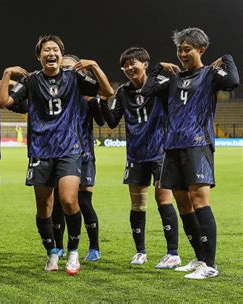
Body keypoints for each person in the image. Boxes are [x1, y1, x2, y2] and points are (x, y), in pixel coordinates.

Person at [0, 35, 114, 275]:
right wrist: (7, 74)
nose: (51, 54)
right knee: (44, 207)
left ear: (61, 55)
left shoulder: (74, 78)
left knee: (70, 201)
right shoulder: (31, 81)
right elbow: (4, 102)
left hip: (69, 149)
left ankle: (73, 251)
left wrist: (94, 66)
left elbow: (107, 91)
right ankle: (51, 252)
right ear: (38, 56)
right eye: (46, 50)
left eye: (55, 50)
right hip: (41, 150)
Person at [141, 27, 239, 279]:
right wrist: (157, 69)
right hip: (172, 146)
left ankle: (211, 265)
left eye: (188, 49)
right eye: (180, 49)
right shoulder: (172, 79)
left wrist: (226, 58)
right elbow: (146, 91)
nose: (182, 54)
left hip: (197, 144)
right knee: (183, 205)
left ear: (201, 50)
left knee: (199, 201)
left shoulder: (210, 75)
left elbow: (233, 81)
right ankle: (199, 258)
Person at [99, 47, 181, 268]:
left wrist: (159, 69)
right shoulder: (123, 92)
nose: (128, 68)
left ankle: (173, 253)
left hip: (160, 153)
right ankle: (140, 252)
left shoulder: (159, 85)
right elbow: (112, 121)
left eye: (133, 63)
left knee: (163, 200)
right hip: (135, 155)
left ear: (145, 64)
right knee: (137, 206)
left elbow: (166, 88)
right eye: (125, 65)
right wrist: (100, 101)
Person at [51, 54, 104, 262]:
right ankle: (59, 247)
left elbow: (101, 121)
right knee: (58, 203)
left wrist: (96, 102)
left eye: (73, 68)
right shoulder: (56, 95)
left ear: (81, 72)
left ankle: (94, 247)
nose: (67, 71)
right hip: (60, 154)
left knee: (83, 202)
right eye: (64, 68)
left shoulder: (87, 97)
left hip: (84, 155)